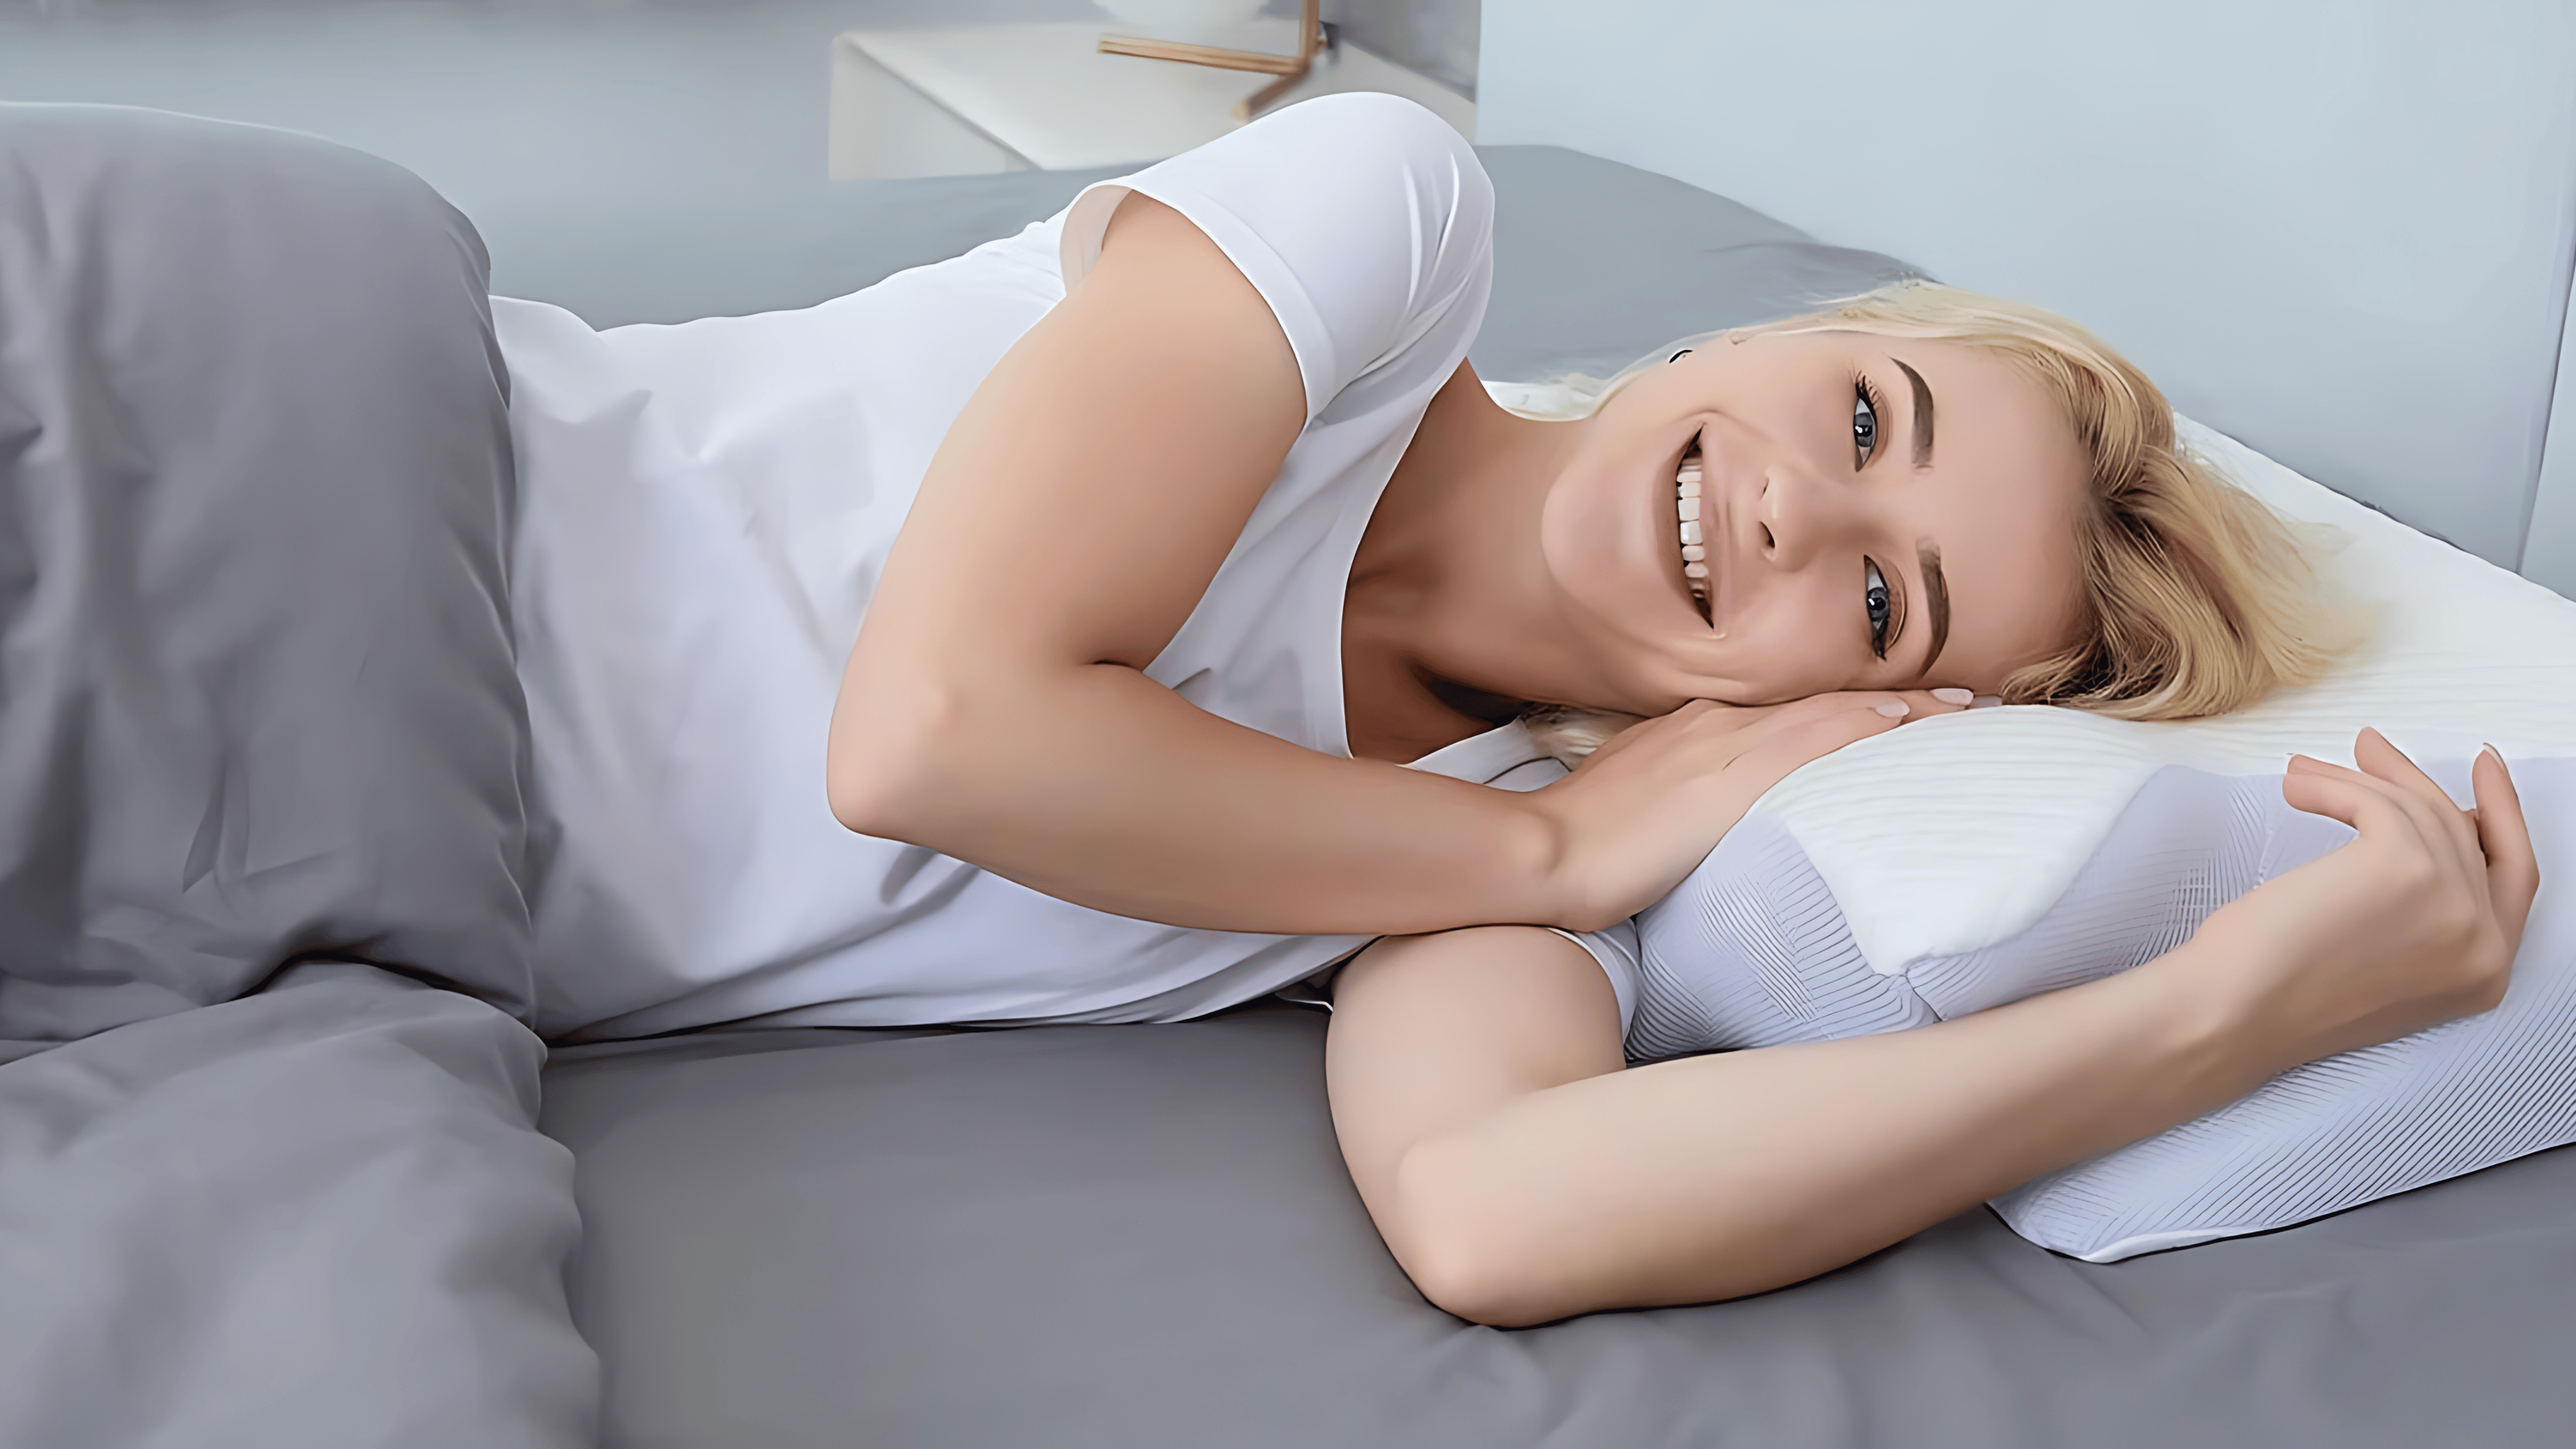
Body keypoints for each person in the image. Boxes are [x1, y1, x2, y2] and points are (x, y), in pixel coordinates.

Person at [498, 94, 2537, 1324]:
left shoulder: (1496, 861)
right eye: (1860, 413)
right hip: (304, 483)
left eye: (1885, 598)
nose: (1794, 502)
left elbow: (1493, 1216)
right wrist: (1545, 844)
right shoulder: (1377, 230)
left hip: (314, 884)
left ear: (1869, 711)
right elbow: (936, 733)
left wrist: (2222, 1014)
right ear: (1761, 333)